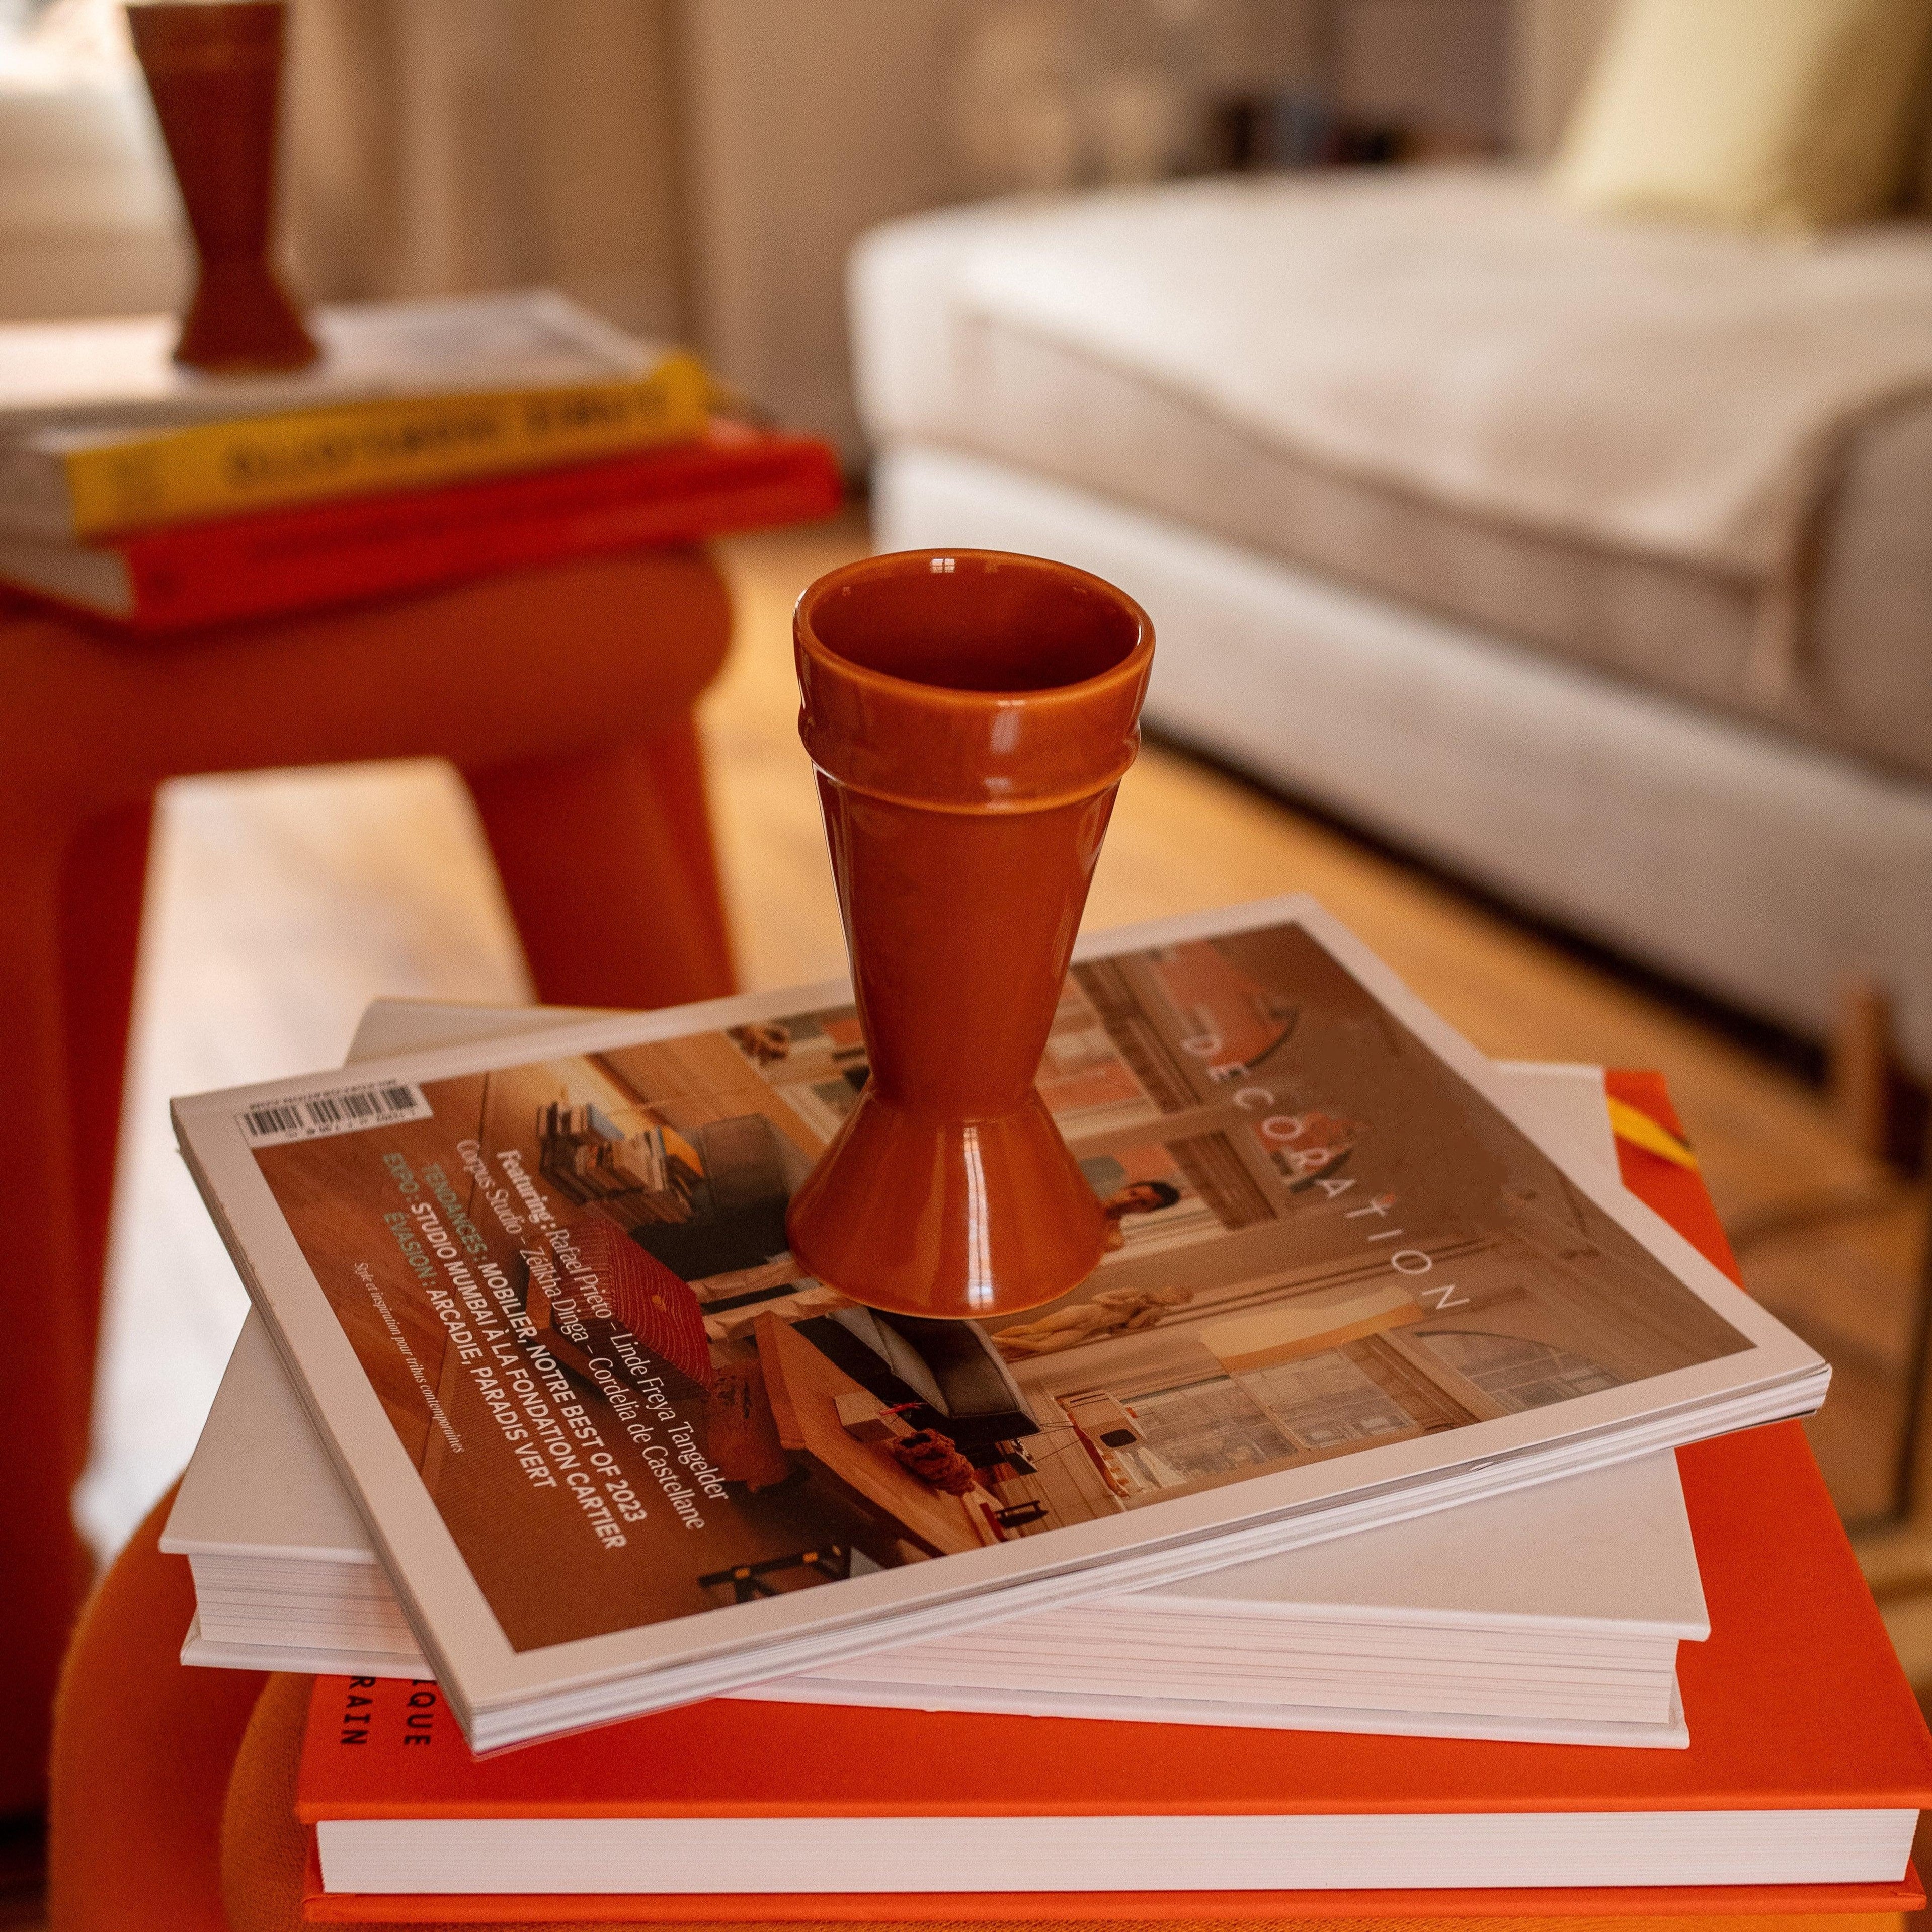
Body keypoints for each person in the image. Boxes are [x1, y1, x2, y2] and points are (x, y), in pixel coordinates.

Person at [993, 1285, 1195, 1359]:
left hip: (1088, 1329)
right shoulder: (1136, 1292)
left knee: (1043, 1347)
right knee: (1034, 1329)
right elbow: (1098, 1297)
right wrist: (1120, 1303)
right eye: (1175, 1295)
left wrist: (1150, 1310)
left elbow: (1131, 1326)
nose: (1174, 1300)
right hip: (1085, 1314)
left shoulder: (1153, 1314)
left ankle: (997, 1343)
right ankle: (993, 1340)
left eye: (1179, 1301)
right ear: (1168, 1290)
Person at [1099, 1176, 1182, 1251]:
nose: (1129, 1201)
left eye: (1142, 1203)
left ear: (1147, 1211)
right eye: (1133, 1194)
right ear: (1126, 1188)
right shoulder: (1093, 1192)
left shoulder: (1113, 1239)